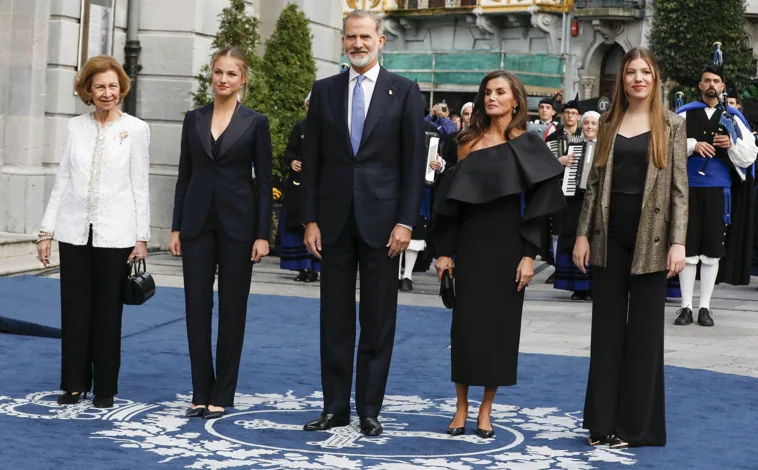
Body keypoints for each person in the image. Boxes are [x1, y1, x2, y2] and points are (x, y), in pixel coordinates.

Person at [300, 9, 425, 437]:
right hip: (332, 223)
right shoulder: (324, 90)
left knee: (377, 320)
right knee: (333, 320)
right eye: (351, 37)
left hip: (384, 224)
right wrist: (310, 219)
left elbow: (413, 166)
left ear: (381, 41)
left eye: (365, 37)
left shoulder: (405, 92)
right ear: (343, 41)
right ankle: (334, 407)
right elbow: (312, 162)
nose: (357, 44)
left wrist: (407, 222)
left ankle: (369, 408)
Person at [431, 70, 565, 439]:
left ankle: (486, 411)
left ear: (515, 100)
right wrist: (445, 254)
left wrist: (528, 256)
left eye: (500, 92)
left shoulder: (530, 144)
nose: (492, 98)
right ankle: (460, 408)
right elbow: (451, 204)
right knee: (466, 330)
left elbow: (540, 207)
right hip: (470, 246)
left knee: (499, 333)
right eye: (487, 92)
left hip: (509, 248)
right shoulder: (467, 142)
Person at [574, 47, 688, 448]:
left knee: (643, 335)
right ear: (622, 80)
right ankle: (601, 423)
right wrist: (582, 234)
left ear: (655, 79)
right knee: (605, 332)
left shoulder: (672, 125)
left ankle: (634, 427)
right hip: (608, 237)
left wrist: (678, 242)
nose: (637, 78)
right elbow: (592, 185)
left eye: (645, 72)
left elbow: (679, 190)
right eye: (630, 72)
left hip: (652, 240)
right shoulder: (607, 121)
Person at [37, 55, 150, 408]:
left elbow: (140, 186)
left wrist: (141, 237)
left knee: (107, 314)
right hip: (73, 232)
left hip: (115, 234)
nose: (107, 93)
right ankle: (73, 384)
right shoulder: (75, 127)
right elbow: (63, 180)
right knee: (73, 311)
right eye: (99, 86)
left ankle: (104, 389)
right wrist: (46, 231)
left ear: (122, 89)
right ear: (87, 89)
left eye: (113, 86)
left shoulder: (136, 129)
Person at [169, 47, 273, 420]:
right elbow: (185, 175)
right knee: (196, 307)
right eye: (218, 72)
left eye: (231, 73)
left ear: (242, 78)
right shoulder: (193, 119)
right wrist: (176, 226)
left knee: (232, 309)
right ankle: (200, 391)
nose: (223, 79)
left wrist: (263, 234)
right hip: (197, 225)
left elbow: (264, 182)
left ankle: (222, 392)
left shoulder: (255, 122)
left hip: (239, 227)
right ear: (210, 76)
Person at [673, 56, 757, 327]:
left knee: (712, 248)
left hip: (719, 191)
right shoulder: (685, 113)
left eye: (716, 81)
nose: (711, 85)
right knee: (687, 248)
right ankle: (685, 306)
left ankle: (705, 307)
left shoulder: (732, 117)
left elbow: (750, 155)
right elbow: (666, 146)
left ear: (723, 87)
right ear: (700, 85)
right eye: (707, 80)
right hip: (687, 189)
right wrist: (692, 145)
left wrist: (731, 144)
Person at [553, 111, 599, 300]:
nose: (589, 127)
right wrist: (560, 162)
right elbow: (557, 173)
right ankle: (577, 286)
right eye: (586, 123)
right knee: (572, 239)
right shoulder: (574, 146)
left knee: (594, 243)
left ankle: (593, 286)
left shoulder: (605, 148)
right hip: (575, 200)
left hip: (596, 203)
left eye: (593, 124)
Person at [279, 93, 320, 282]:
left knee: (317, 225)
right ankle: (302, 267)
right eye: (308, 105)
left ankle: (316, 268)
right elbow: (289, 150)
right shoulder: (300, 127)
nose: (310, 108)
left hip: (319, 184)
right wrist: (292, 161)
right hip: (298, 184)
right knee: (296, 225)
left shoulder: (328, 128)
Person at [543, 94, 584, 283]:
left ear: (578, 116)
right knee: (557, 227)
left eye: (573, 113)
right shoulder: (553, 138)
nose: (570, 116)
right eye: (567, 113)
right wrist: (558, 162)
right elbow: (543, 165)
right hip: (558, 189)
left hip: (579, 192)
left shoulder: (585, 135)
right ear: (562, 116)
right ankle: (558, 265)